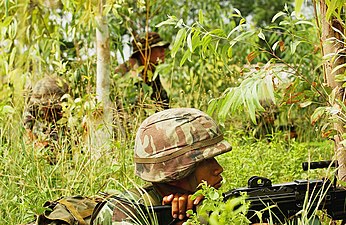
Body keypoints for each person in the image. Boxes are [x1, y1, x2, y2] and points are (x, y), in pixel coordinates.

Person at [91, 107, 232, 225]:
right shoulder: (124, 211)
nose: (218, 169)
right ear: (176, 173)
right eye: (206, 161)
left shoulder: (202, 203)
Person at [115, 32, 170, 109]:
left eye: (163, 48)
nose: (163, 52)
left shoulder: (151, 71)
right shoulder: (127, 72)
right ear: (144, 52)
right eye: (159, 48)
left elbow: (162, 101)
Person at [23, 76, 69, 163]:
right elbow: (27, 122)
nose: (43, 109)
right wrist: (34, 141)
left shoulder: (63, 111)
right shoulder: (34, 105)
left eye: (46, 105)